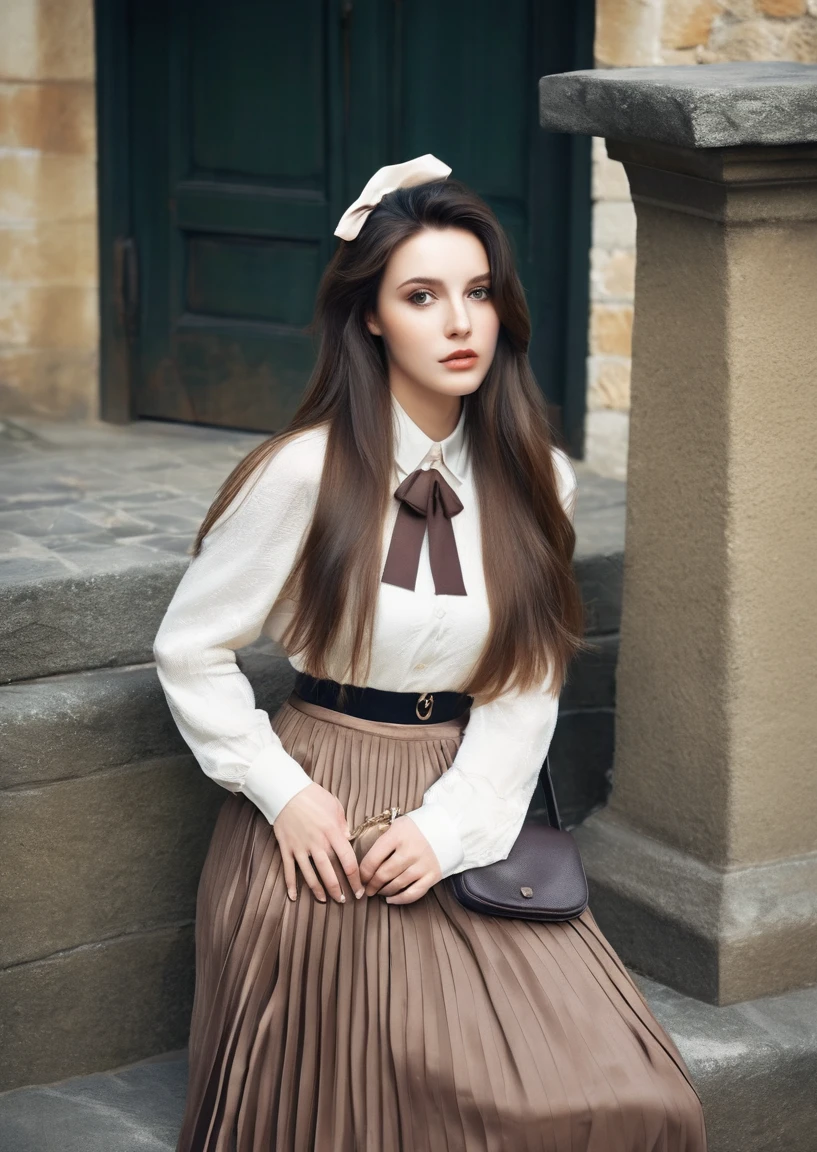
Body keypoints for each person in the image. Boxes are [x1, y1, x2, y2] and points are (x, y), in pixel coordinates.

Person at [153, 154, 708, 1151]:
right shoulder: (305, 473)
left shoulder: (534, 476)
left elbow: (526, 680)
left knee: (635, 1101)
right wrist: (284, 794)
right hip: (326, 809)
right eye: (422, 296)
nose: (459, 323)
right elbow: (187, 648)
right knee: (409, 1105)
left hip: (468, 799)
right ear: (370, 315)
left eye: (478, 292)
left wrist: (451, 830)